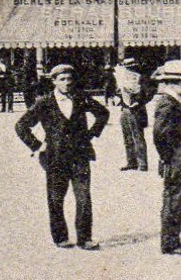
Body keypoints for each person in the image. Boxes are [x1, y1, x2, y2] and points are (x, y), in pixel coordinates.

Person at [14, 63, 110, 250]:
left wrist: (91, 133)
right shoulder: (44, 102)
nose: (67, 83)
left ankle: (85, 238)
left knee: (83, 197)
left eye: (70, 79)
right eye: (62, 79)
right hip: (55, 157)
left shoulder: (81, 98)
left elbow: (103, 113)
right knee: (56, 198)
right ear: (54, 81)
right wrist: (37, 145)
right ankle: (60, 237)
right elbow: (21, 126)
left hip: (80, 155)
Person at [149, 60, 181, 255]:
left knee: (177, 198)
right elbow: (159, 135)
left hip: (179, 158)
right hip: (175, 159)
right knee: (174, 199)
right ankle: (170, 242)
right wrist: (168, 157)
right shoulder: (167, 104)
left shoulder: (175, 103)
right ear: (171, 82)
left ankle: (173, 239)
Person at [113, 55, 149, 171]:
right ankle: (131, 162)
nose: (129, 69)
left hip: (136, 109)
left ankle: (142, 163)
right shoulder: (122, 79)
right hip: (125, 108)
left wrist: (139, 102)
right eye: (127, 67)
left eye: (130, 67)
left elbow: (147, 93)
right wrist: (117, 97)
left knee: (138, 136)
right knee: (127, 136)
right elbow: (118, 92)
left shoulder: (141, 78)